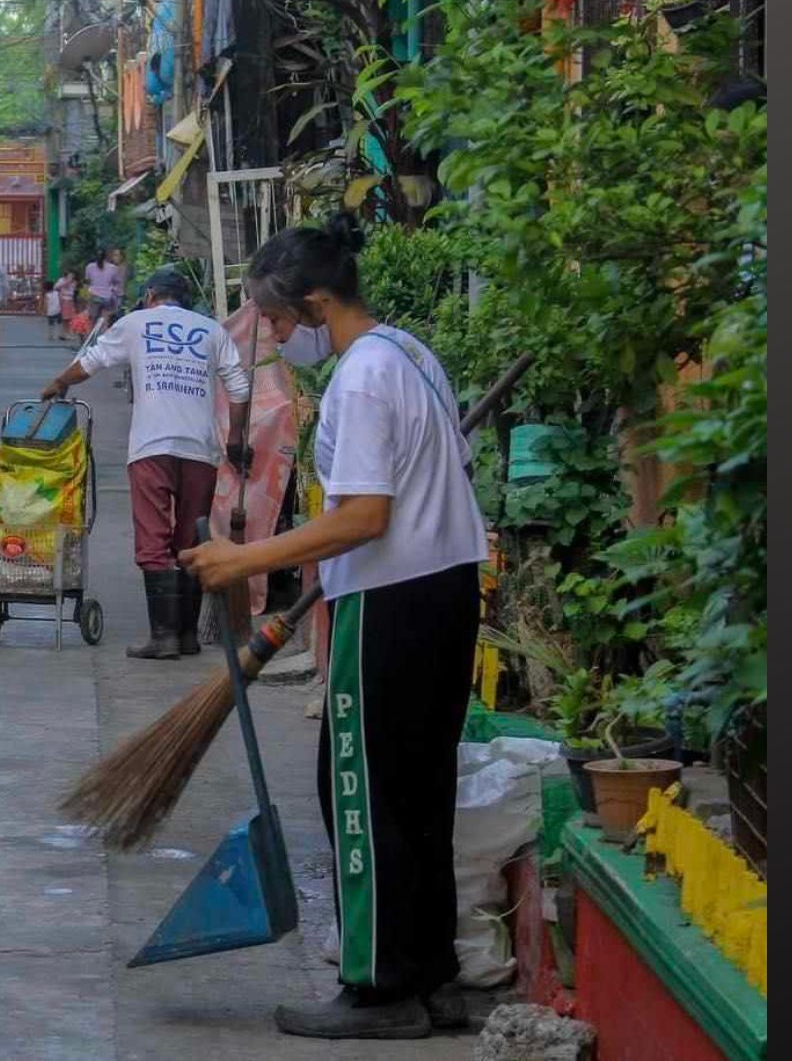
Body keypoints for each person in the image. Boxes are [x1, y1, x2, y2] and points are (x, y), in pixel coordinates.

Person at [179, 214, 486, 1041]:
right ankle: (432, 975)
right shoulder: (412, 353)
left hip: (389, 601)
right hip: (447, 592)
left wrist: (247, 561)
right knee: (420, 788)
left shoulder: (358, 378)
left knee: (355, 790)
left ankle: (380, 989)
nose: (273, 337)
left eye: (278, 321)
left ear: (317, 304)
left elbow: (362, 518)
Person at [40, 267, 250, 660]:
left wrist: (59, 382)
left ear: (151, 294)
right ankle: (186, 636)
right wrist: (235, 438)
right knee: (190, 538)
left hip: (151, 447)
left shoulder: (135, 323)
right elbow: (239, 386)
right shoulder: (211, 330)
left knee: (154, 542)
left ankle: (164, 636)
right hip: (200, 450)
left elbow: (92, 361)